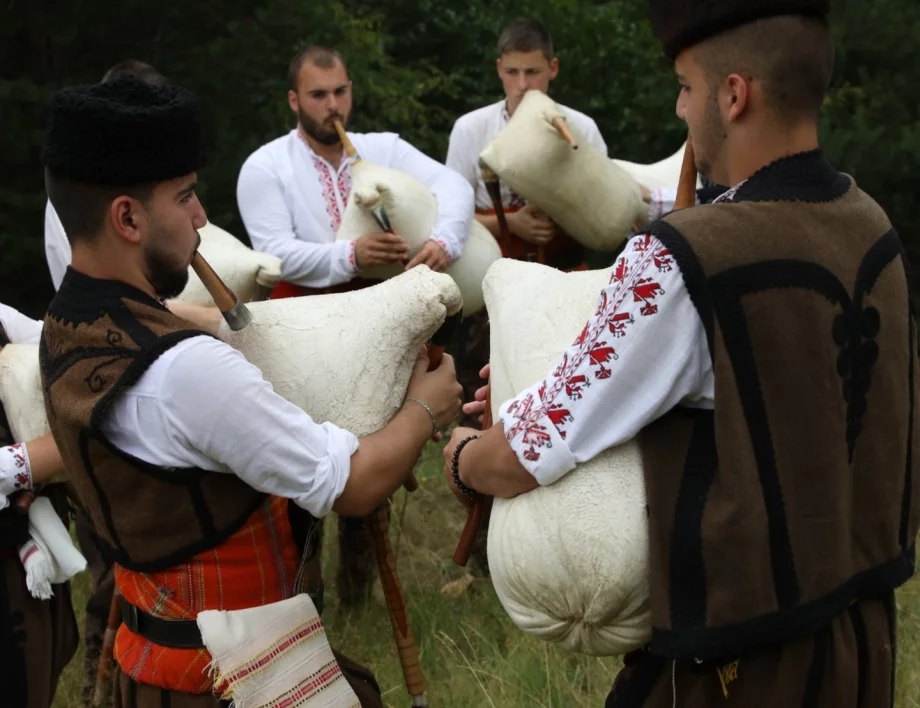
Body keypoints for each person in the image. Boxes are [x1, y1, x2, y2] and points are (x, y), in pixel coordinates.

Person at [445, 1, 919, 706]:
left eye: (686, 86)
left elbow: (528, 447)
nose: (679, 106)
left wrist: (464, 458)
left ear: (734, 95)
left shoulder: (684, 258)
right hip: (863, 651)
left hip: (735, 671)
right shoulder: (871, 226)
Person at [40, 75, 462, 707]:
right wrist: (426, 407)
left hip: (148, 670)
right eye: (185, 197)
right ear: (127, 217)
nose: (201, 219)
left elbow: (168, 329)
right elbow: (351, 484)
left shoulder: (63, 325)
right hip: (235, 682)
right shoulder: (187, 372)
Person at [236, 45, 474, 607]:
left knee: (374, 449)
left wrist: (444, 241)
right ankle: (301, 591)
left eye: (340, 91)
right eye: (318, 95)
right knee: (300, 460)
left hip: (376, 323)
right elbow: (272, 252)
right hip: (301, 331)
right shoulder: (265, 166)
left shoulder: (382, 148)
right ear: (294, 100)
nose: (333, 105)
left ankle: (357, 596)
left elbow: (455, 186)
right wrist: (350, 255)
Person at [0, 302, 79, 708]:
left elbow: (67, 346)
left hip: (18, 548)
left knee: (38, 666)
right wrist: (59, 451)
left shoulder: (1, 320)